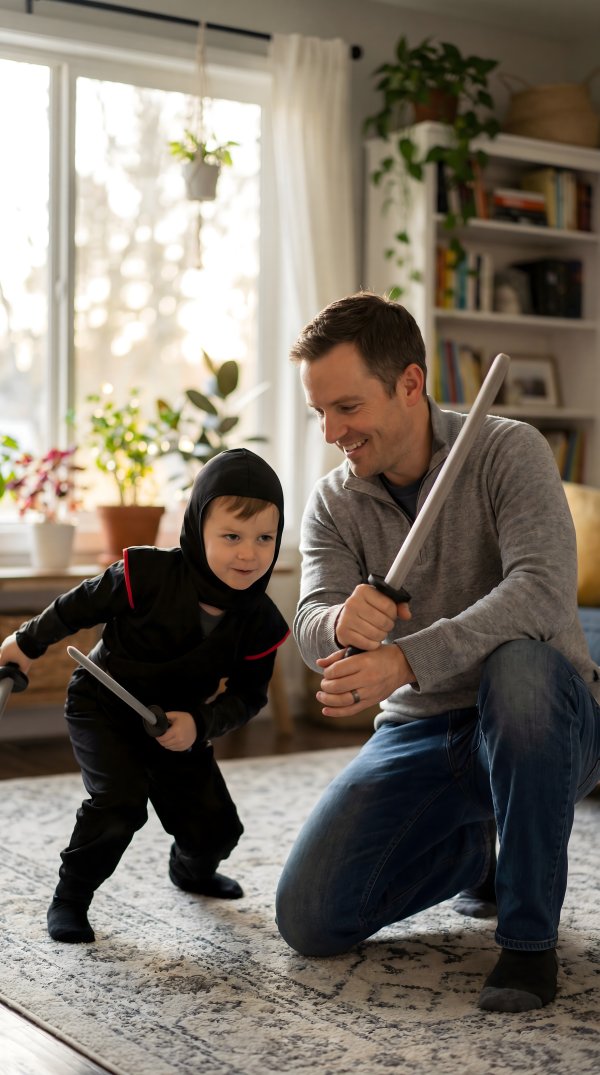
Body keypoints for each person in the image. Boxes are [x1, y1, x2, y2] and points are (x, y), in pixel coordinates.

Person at [275, 291, 600, 1013]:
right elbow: (308, 620)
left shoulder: (508, 450)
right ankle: (468, 850)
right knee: (309, 918)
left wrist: (405, 658)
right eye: (319, 412)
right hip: (421, 729)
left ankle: (526, 943)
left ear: (411, 384)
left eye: (348, 407)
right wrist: (339, 622)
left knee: (518, 670)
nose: (331, 430)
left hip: (542, 718)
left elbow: (542, 594)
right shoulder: (334, 501)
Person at [0, 449, 289, 944]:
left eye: (265, 538)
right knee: (120, 804)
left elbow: (247, 696)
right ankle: (70, 898)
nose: (249, 554)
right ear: (198, 528)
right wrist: (25, 643)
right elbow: (77, 606)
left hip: (177, 724)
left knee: (217, 828)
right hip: (103, 705)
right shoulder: (145, 574)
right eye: (231, 536)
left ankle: (190, 871)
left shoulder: (261, 621)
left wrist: (199, 724)